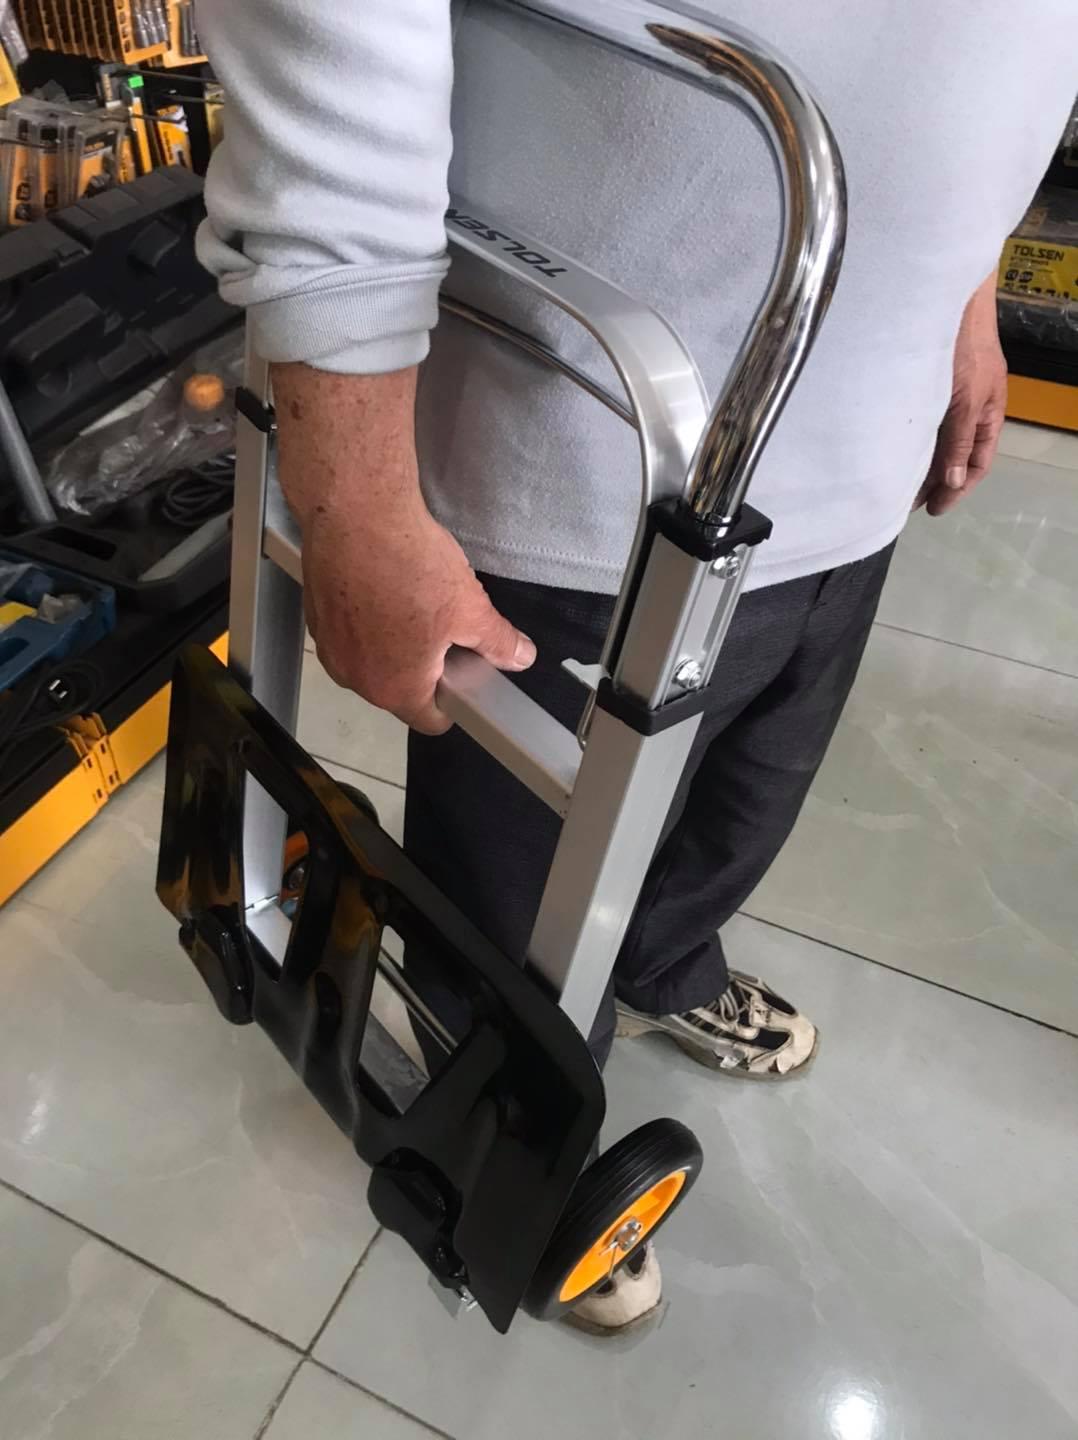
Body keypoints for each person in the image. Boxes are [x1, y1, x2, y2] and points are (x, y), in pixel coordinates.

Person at [195, 0, 1075, 1332]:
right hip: (590, 449)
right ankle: (497, 1131)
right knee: (516, 889)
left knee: (745, 792)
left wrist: (963, 294)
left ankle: (659, 967)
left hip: (856, 435)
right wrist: (356, 496)